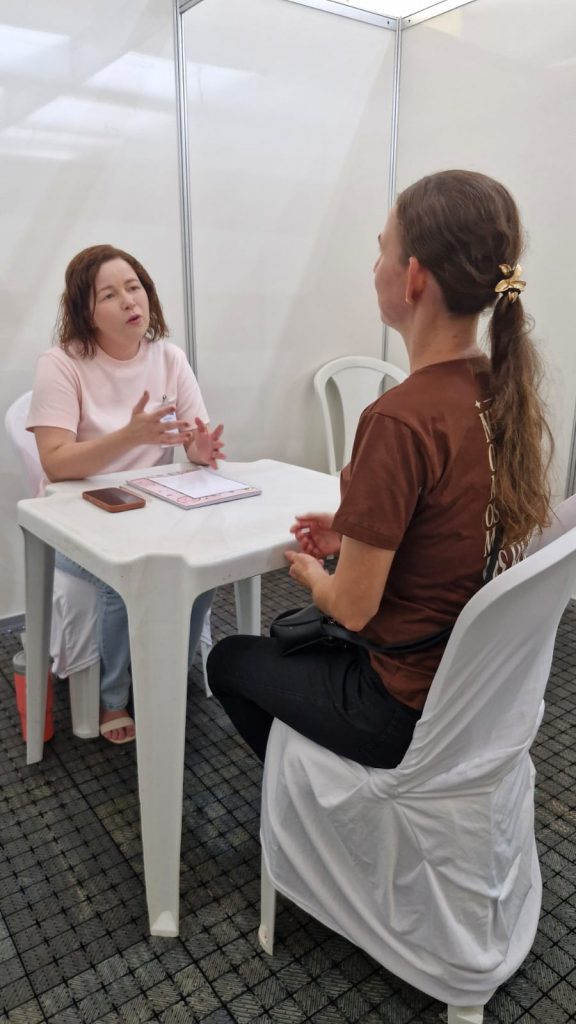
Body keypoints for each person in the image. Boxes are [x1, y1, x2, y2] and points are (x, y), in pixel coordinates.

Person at [207, 169, 553, 769]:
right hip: (479, 690)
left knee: (229, 660)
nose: (374, 269)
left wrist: (313, 575)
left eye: (381, 251)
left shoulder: (398, 418)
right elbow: (456, 523)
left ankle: (317, 802)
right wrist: (356, 534)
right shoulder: (502, 386)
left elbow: (352, 608)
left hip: (401, 709)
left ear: (413, 276)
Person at [27, 244, 225, 744]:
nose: (129, 301)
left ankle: (170, 674)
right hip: (75, 517)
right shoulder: (61, 364)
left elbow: (193, 442)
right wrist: (128, 437)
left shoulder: (169, 357)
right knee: (123, 580)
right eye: (110, 295)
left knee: (205, 565)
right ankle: (114, 697)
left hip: (150, 508)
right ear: (85, 311)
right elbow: (55, 462)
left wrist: (200, 450)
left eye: (134, 287)